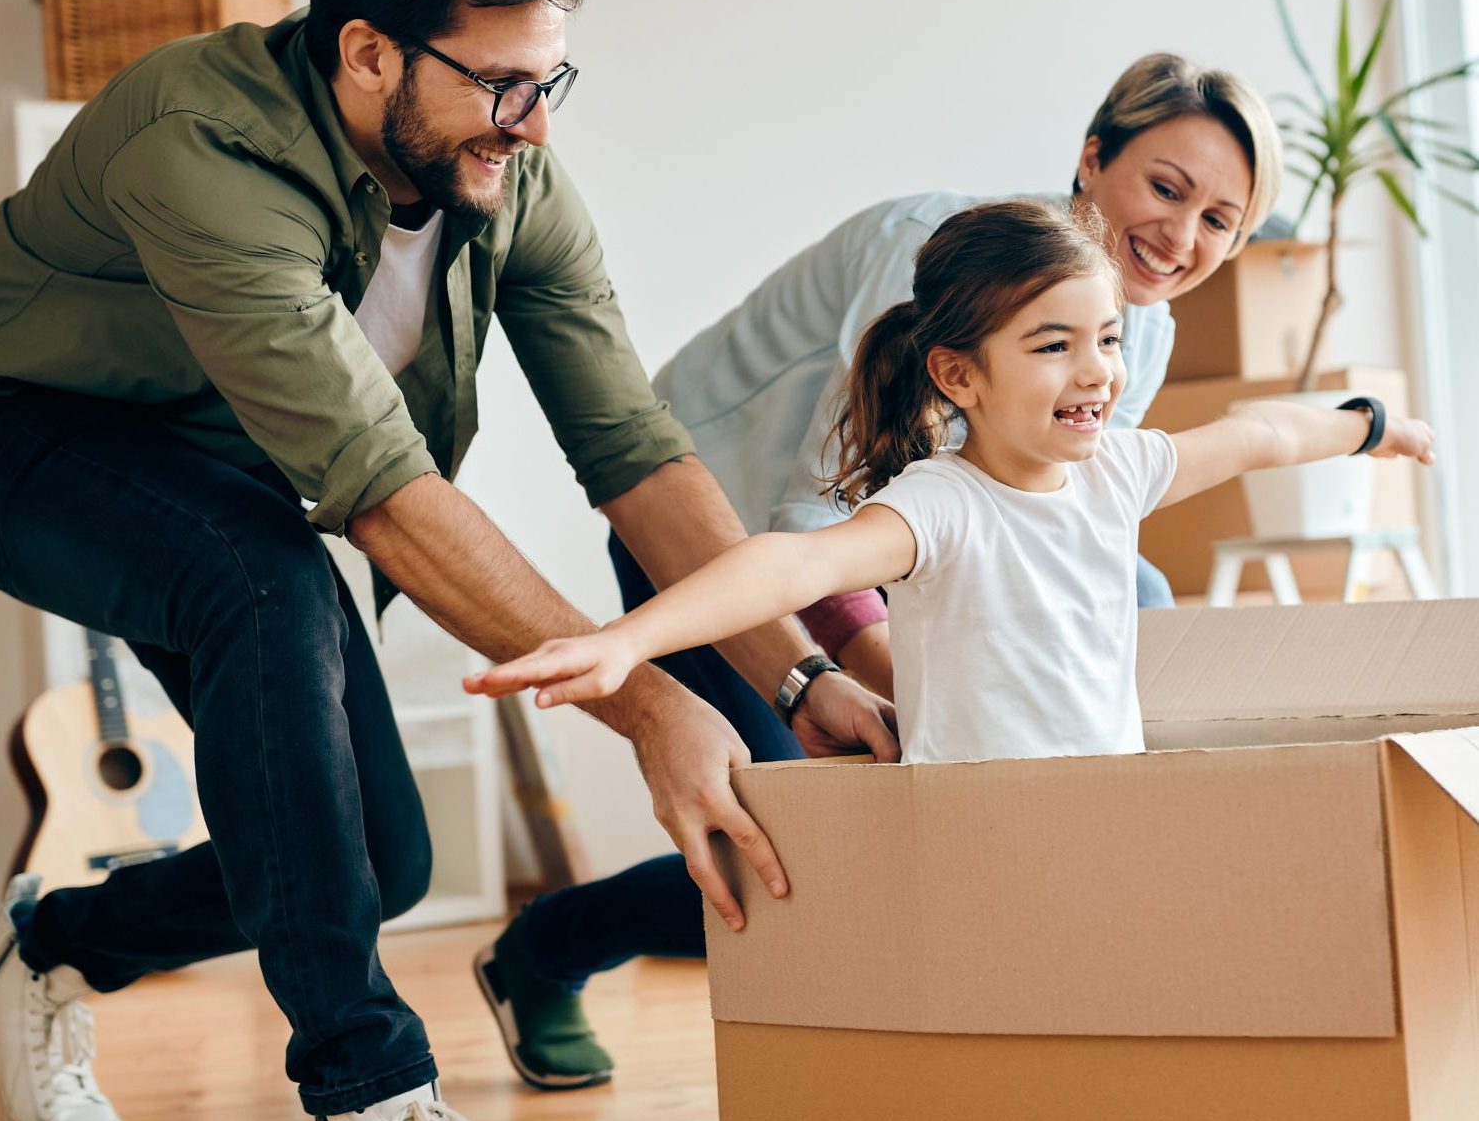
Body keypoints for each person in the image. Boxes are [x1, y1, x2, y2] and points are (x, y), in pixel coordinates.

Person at [0, 0, 895, 1121]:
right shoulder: (199, 139)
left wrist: (797, 670)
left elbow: (635, 450)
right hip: (8, 434)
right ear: (366, 51)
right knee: (264, 574)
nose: (534, 123)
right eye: (501, 83)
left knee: (378, 862)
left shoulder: (506, 173)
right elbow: (377, 492)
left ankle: (42, 952)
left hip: (225, 476)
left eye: (553, 82)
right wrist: (647, 703)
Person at [473, 53, 1283, 1089]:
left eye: (1220, 220)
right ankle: (546, 949)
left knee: (1143, 606)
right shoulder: (932, 258)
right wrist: (891, 673)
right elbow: (826, 505)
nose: (1181, 239)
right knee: (790, 850)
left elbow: (1066, 518)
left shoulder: (1141, 322)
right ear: (1092, 159)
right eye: (1166, 189)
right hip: (715, 531)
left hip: (883, 548)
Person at [468, 201, 1434, 777]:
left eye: (1106, 339)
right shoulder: (941, 505)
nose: (1096, 370)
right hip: (974, 825)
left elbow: (1257, 434)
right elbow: (791, 563)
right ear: (959, 376)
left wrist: (1370, 427)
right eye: (1053, 347)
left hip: (1105, 807)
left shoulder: (1117, 472)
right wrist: (626, 640)